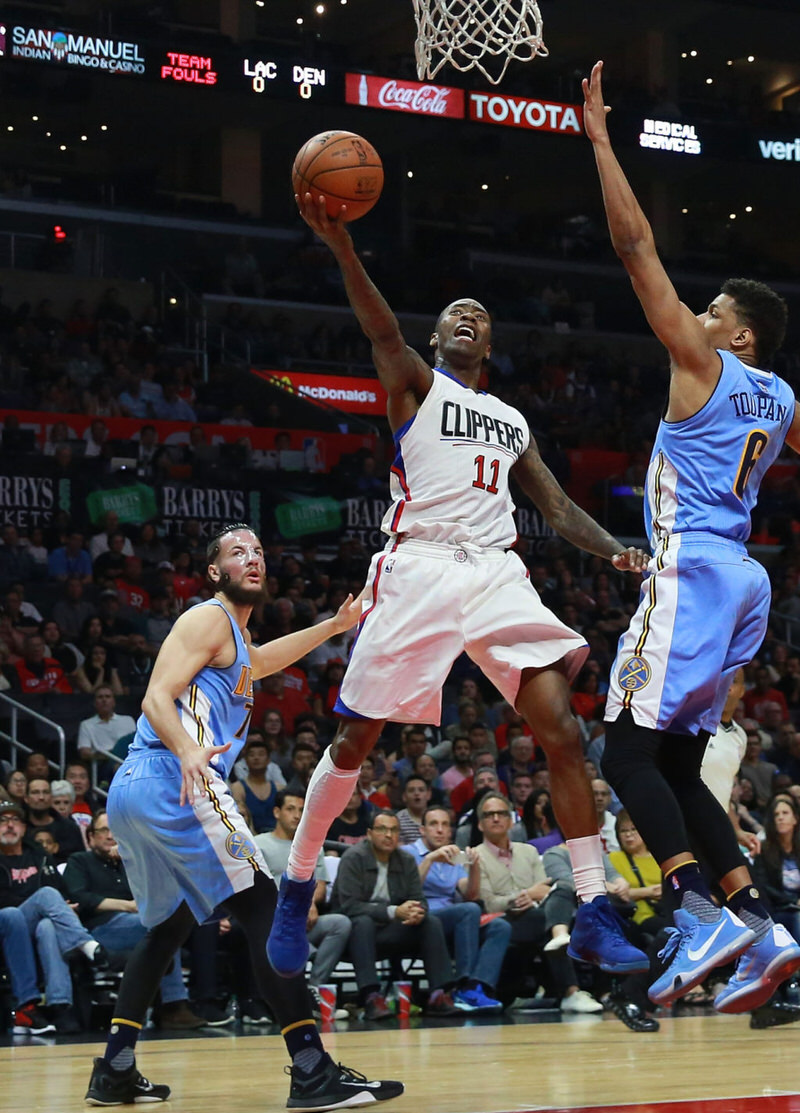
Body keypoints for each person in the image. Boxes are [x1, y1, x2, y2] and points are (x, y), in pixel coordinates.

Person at [268, 191, 650, 985]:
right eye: (455, 313)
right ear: (439, 338)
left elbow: (557, 506)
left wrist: (615, 551)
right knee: (354, 743)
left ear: (492, 341)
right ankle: (297, 879)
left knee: (565, 733)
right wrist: (341, 246)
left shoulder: (512, 420)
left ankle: (589, 909)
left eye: (480, 312)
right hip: (421, 565)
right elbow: (378, 325)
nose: (469, 315)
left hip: (497, 571)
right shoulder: (413, 381)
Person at [582, 59, 800, 1013]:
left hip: (698, 565)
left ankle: (693, 906)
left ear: (739, 337)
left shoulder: (707, 362)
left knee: (623, 753)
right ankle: (762, 926)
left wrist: (599, 141)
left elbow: (636, 250)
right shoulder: (784, 398)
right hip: (744, 578)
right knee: (673, 760)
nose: (700, 317)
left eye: (715, 313)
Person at [84, 522, 402, 1109]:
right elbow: (157, 697)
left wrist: (333, 627)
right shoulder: (206, 617)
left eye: (258, 550)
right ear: (214, 571)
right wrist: (187, 752)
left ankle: (115, 1068)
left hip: (132, 792)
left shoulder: (233, 641)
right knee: (265, 911)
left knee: (169, 927)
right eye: (237, 552)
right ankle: (311, 1069)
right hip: (174, 779)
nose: (252, 558)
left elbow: (259, 660)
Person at [63, 810, 204, 1030]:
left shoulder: (133, 863)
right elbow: (79, 897)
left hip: (140, 922)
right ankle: (173, 1005)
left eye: (115, 831)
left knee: (185, 922)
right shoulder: (80, 860)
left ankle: (201, 1000)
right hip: (101, 928)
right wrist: (127, 906)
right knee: (164, 927)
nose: (110, 835)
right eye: (103, 830)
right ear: (90, 837)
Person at [473, 793, 602, 1014]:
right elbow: (489, 904)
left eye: (501, 813)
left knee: (562, 887)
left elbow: (545, 890)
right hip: (502, 922)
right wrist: (522, 896)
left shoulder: (528, 851)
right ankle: (571, 991)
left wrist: (534, 896)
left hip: (536, 915)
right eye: (489, 815)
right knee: (549, 921)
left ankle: (560, 944)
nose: (496, 818)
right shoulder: (475, 856)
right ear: (480, 823)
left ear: (511, 820)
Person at [331, 809, 459, 1019]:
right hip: (355, 935)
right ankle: (371, 996)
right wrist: (394, 911)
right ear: (370, 833)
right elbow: (349, 906)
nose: (388, 835)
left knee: (431, 922)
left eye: (393, 830)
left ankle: (439, 994)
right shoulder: (353, 858)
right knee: (363, 922)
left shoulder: (406, 860)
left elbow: (420, 899)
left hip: (391, 931)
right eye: (382, 829)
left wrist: (418, 912)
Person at [0, 797, 108, 1034]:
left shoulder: (39, 856)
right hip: (7, 924)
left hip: (37, 925)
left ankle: (58, 1007)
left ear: (24, 827)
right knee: (28, 906)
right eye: (3, 820)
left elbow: (63, 894)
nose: (9, 825)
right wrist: (47, 904)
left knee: (48, 926)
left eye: (14, 820)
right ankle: (85, 943)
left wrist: (59, 907)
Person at [403, 805, 510, 1011]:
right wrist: (431, 858)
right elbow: (407, 890)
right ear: (422, 830)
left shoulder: (453, 856)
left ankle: (478, 987)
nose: (440, 830)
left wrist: (475, 865)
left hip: (454, 920)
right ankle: (463, 986)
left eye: (445, 825)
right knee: (468, 910)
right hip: (422, 919)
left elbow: (470, 894)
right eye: (434, 824)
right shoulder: (407, 853)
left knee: (500, 926)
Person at [254, 791, 351, 1018]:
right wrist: (291, 907)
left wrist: (308, 904)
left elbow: (320, 885)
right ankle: (294, 989)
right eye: (290, 809)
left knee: (340, 923)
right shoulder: (258, 844)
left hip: (306, 918)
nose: (297, 815)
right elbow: (255, 890)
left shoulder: (312, 844)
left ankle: (315, 988)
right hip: (273, 919)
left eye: (301, 810)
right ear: (277, 812)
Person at [230, 736, 280, 834]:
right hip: (249, 836)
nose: (256, 758)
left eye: (261, 754)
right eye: (252, 755)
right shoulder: (238, 788)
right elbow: (241, 816)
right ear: (246, 760)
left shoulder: (279, 788)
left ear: (268, 759)